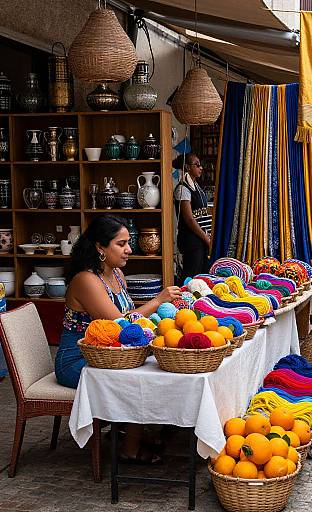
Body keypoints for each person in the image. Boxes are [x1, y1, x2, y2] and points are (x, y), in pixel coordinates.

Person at [55, 215, 182, 463]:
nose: (129, 249)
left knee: (152, 366)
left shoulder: (116, 275)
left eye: (128, 243)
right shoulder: (86, 280)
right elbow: (120, 326)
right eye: (121, 244)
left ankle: (137, 428)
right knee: (135, 377)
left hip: (107, 354)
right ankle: (129, 447)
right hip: (77, 361)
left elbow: (129, 321)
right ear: (100, 247)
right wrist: (157, 301)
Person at [173, 153, 212, 284]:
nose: (200, 168)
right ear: (187, 167)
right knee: (190, 278)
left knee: (201, 277)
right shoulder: (183, 188)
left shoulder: (197, 187)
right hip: (191, 241)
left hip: (200, 239)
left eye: (200, 165)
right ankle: (185, 302)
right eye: (197, 165)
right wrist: (206, 238)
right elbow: (189, 219)